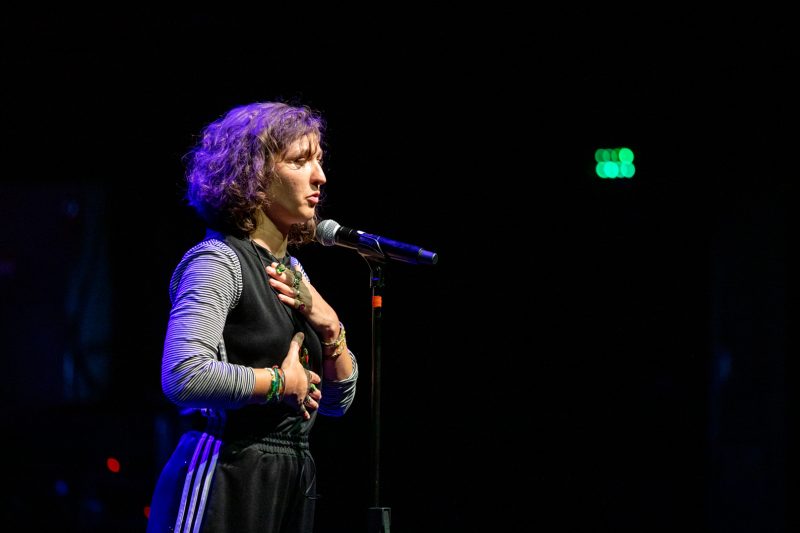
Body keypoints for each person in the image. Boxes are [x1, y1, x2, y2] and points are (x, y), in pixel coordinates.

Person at [146, 101, 358, 533]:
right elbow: (183, 376)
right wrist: (277, 383)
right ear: (255, 176)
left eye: (319, 161)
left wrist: (332, 328)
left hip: (291, 475)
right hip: (224, 470)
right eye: (301, 161)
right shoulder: (218, 260)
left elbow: (335, 405)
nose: (320, 177)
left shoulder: (295, 274)